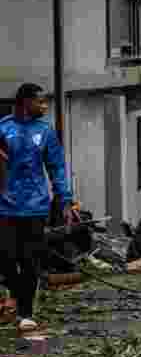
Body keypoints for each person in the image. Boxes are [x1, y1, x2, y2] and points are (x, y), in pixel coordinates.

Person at [0, 84, 77, 332]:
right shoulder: (3, 128)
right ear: (25, 102)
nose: (45, 106)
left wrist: (64, 200)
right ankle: (17, 290)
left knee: (30, 259)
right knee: (5, 256)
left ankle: (25, 312)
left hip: (35, 206)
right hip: (5, 206)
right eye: (40, 102)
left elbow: (56, 167)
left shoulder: (45, 132)